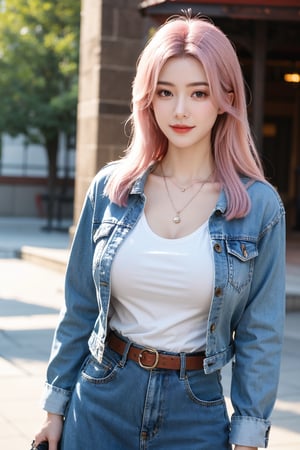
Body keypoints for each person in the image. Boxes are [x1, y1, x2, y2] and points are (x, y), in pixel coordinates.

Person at [34, 12, 286, 450]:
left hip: (195, 410)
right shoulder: (112, 189)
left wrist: (249, 434)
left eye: (199, 92)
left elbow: (259, 335)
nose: (181, 109)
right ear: (147, 98)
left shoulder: (259, 207)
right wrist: (55, 407)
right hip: (100, 398)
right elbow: (79, 306)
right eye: (166, 92)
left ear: (226, 97)